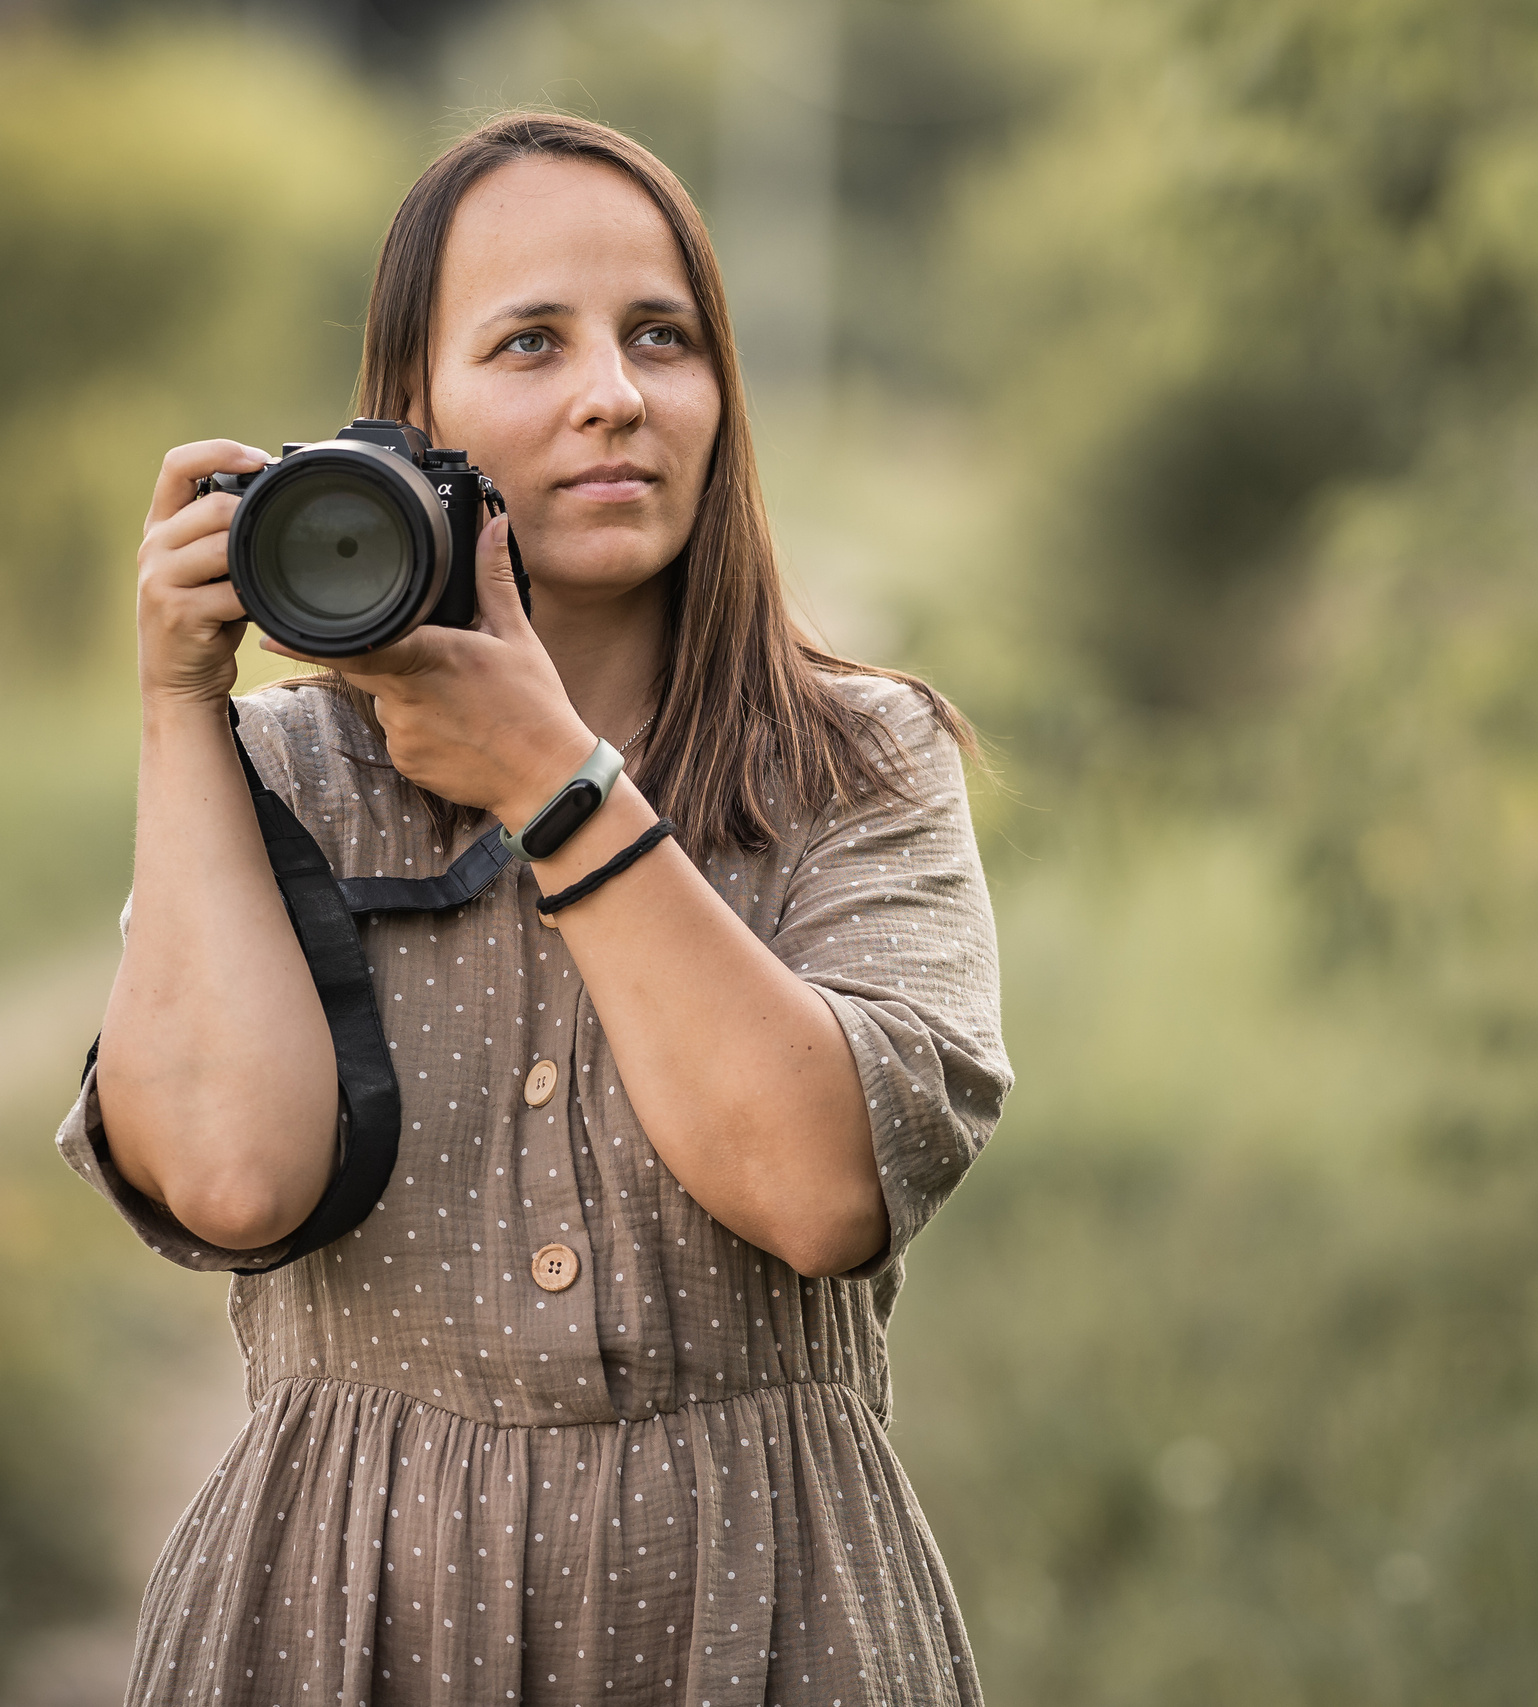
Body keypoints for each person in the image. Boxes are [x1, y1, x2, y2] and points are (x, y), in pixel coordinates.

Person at [56, 111, 1010, 1706]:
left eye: (663, 337)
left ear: (722, 396)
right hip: (336, 1616)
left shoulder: (857, 762)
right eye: (530, 342)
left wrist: (553, 786)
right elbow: (231, 1177)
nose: (614, 393)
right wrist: (175, 704)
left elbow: (821, 1190)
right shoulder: (279, 772)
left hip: (766, 1614)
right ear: (405, 420)